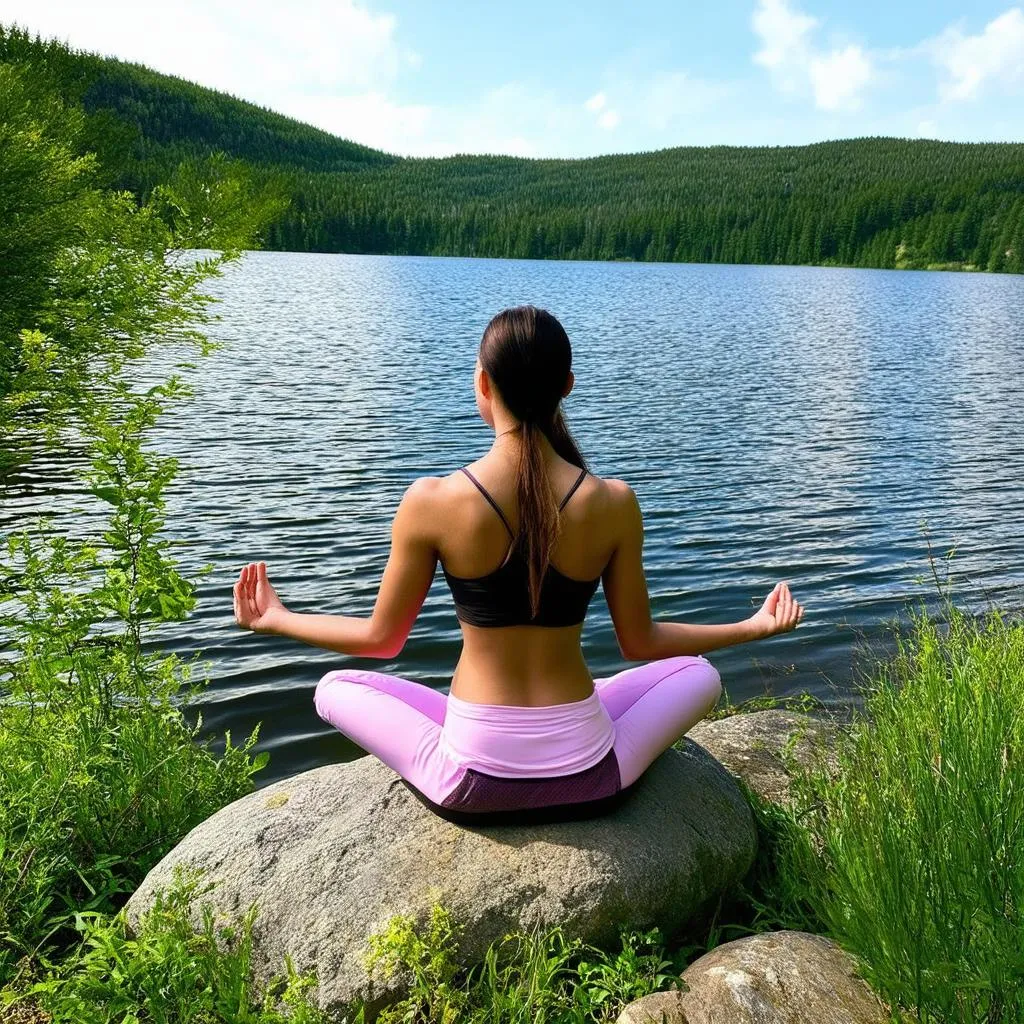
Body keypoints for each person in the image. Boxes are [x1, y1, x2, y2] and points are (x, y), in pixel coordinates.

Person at [233, 305, 805, 825]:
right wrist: (755, 626)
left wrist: (277, 617)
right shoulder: (613, 501)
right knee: (701, 674)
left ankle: (515, 722)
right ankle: (579, 704)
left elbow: (381, 641)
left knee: (334, 687)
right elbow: (640, 641)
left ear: (483, 384)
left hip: (470, 781)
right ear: (568, 387)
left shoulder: (431, 501)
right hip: (592, 776)